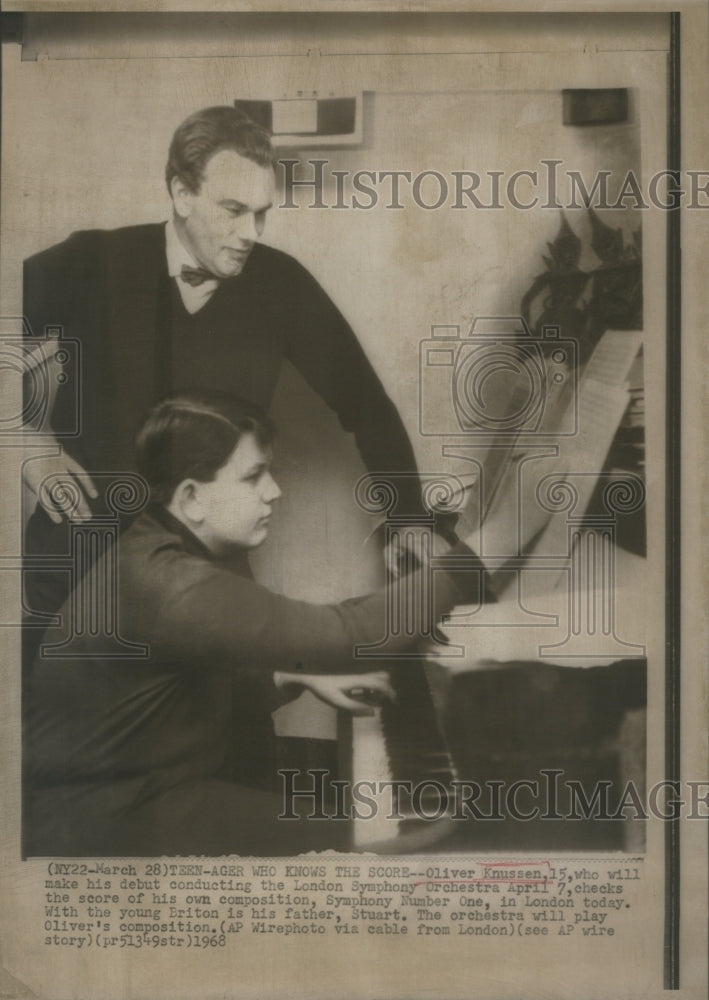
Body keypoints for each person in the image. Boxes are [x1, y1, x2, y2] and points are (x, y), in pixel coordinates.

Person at [24, 390, 484, 858]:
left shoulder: (158, 546)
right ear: (191, 497)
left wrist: (291, 674)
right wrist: (490, 546)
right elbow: (352, 634)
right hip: (107, 826)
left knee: (353, 829)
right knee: (377, 841)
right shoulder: (173, 582)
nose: (274, 491)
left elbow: (167, 691)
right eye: (253, 476)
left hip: (126, 798)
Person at [22, 105, 425, 629]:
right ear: (181, 194)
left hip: (208, 570)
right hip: (77, 557)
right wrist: (27, 447)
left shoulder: (283, 284)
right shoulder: (95, 259)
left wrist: (411, 518)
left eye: (261, 213)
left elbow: (366, 405)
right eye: (233, 210)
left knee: (242, 707)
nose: (251, 233)